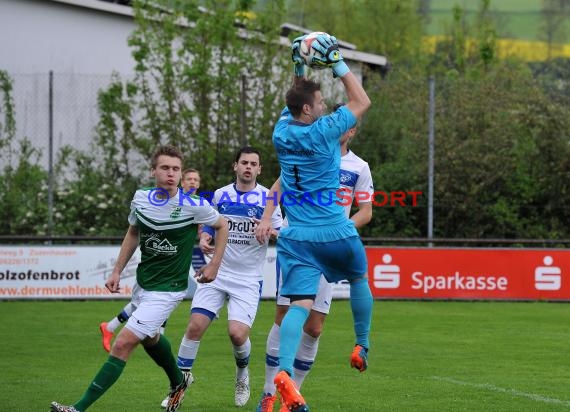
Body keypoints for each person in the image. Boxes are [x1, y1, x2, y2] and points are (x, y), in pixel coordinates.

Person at [50, 145, 229, 412]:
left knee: (123, 343)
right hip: (144, 285)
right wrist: (116, 270)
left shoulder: (194, 205)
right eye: (165, 168)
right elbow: (134, 232)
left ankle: (77, 408)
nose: (171, 174)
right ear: (153, 171)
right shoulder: (141, 198)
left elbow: (222, 225)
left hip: (169, 290)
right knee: (150, 337)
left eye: (176, 169)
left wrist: (214, 265)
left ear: (181, 174)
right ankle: (179, 382)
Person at [255, 33, 373, 411]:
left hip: (297, 238)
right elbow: (362, 100)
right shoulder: (325, 131)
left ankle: (284, 373)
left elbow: (295, 96)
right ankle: (361, 343)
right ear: (309, 111)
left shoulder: (281, 130)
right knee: (358, 278)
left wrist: (299, 65)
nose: (323, 105)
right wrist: (336, 61)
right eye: (319, 102)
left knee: (298, 308)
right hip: (334, 230)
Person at [166, 146, 282, 408]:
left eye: (254, 163)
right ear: (235, 166)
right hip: (217, 271)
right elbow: (210, 222)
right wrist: (205, 235)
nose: (248, 167)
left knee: (237, 335)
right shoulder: (221, 194)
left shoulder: (268, 198)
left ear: (260, 169)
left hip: (248, 278)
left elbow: (282, 232)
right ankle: (177, 388)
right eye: (244, 162)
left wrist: (268, 231)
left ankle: (242, 373)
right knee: (194, 326)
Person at [98, 168, 203, 352]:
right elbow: (137, 229)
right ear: (182, 182)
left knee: (153, 301)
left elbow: (209, 227)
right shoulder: (161, 200)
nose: (193, 182)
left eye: (196, 179)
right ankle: (123, 329)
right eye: (189, 179)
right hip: (159, 262)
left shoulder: (198, 205)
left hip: (178, 260)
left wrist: (204, 236)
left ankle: (112, 327)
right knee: (153, 300)